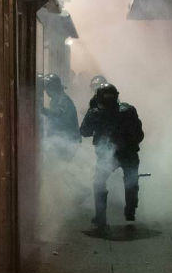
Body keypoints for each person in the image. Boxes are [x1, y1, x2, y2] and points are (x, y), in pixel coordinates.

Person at [79, 83, 144, 229]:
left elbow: (84, 132)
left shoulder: (95, 113)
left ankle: (101, 217)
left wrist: (91, 111)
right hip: (129, 154)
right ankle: (130, 212)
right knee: (131, 182)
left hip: (107, 156)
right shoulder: (129, 110)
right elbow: (140, 135)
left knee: (99, 183)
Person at [41, 73, 80, 159]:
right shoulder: (56, 99)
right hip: (63, 138)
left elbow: (57, 114)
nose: (46, 91)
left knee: (62, 165)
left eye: (47, 88)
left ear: (52, 87)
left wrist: (42, 110)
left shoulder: (63, 99)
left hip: (68, 140)